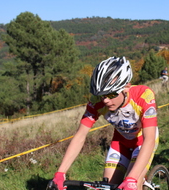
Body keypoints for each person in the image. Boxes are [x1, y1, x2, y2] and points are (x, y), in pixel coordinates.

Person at [50, 56, 159, 190]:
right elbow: (80, 135)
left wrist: (131, 178)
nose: (106, 100)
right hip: (120, 142)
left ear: (126, 87)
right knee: (108, 186)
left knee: (133, 183)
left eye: (111, 94)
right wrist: (60, 173)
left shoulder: (143, 95)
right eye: (102, 95)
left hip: (143, 141)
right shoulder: (97, 102)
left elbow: (149, 140)